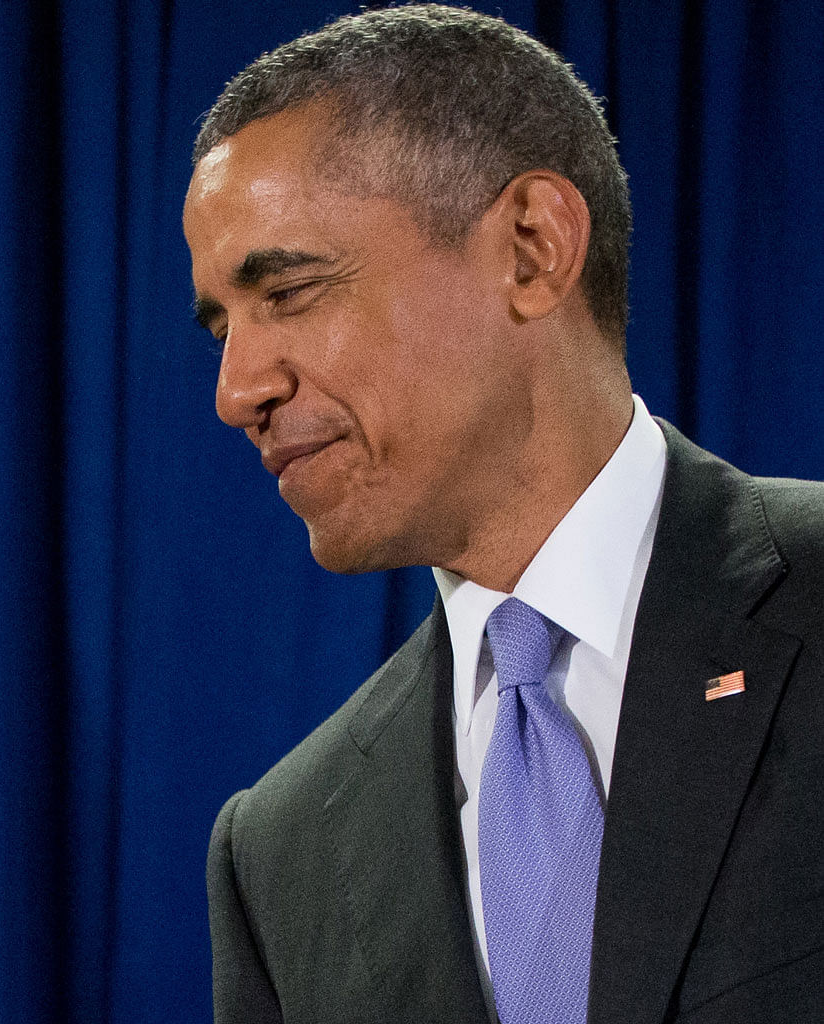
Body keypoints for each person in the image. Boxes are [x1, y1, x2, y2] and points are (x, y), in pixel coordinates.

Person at [184, 6, 824, 1023]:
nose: (234, 390)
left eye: (289, 292)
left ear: (530, 249)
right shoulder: (280, 851)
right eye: (220, 325)